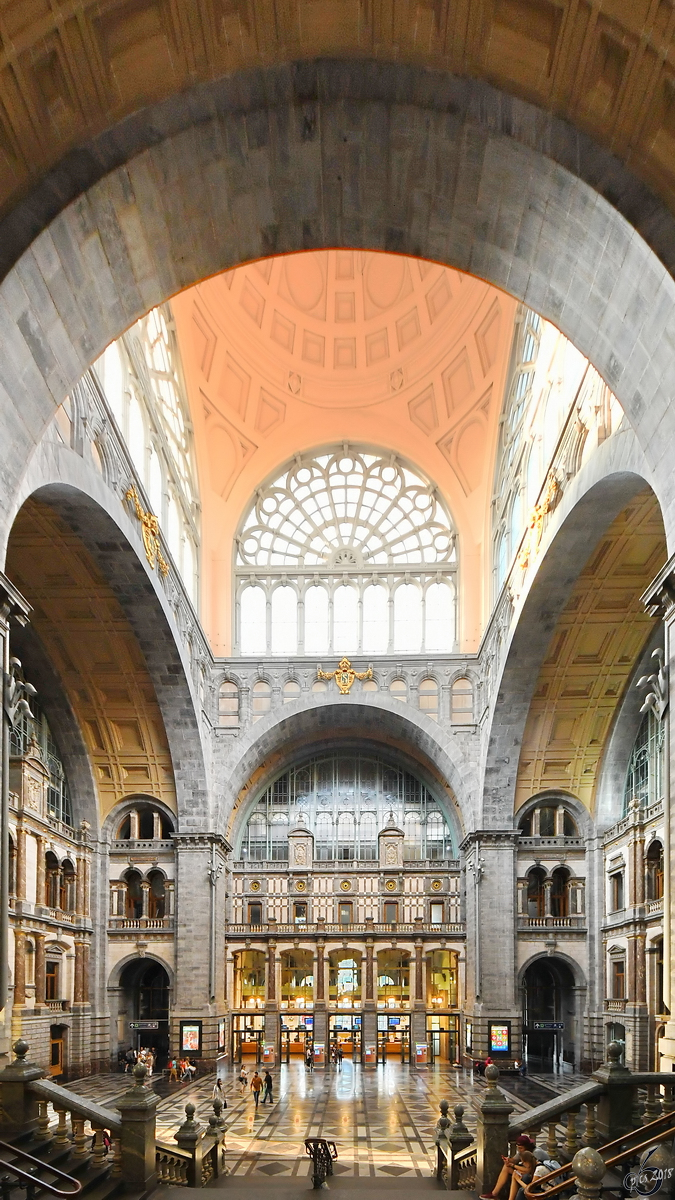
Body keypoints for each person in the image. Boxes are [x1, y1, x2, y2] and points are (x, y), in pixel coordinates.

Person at [480, 1135, 536, 1200]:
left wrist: (513, 1165)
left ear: (527, 1147)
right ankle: (494, 1194)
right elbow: (514, 1160)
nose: (519, 1150)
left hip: (534, 1175)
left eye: (520, 1148)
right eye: (518, 1148)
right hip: (527, 1172)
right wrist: (508, 1160)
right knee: (507, 1168)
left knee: (515, 1174)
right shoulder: (522, 1152)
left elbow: (530, 1170)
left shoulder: (536, 1153)